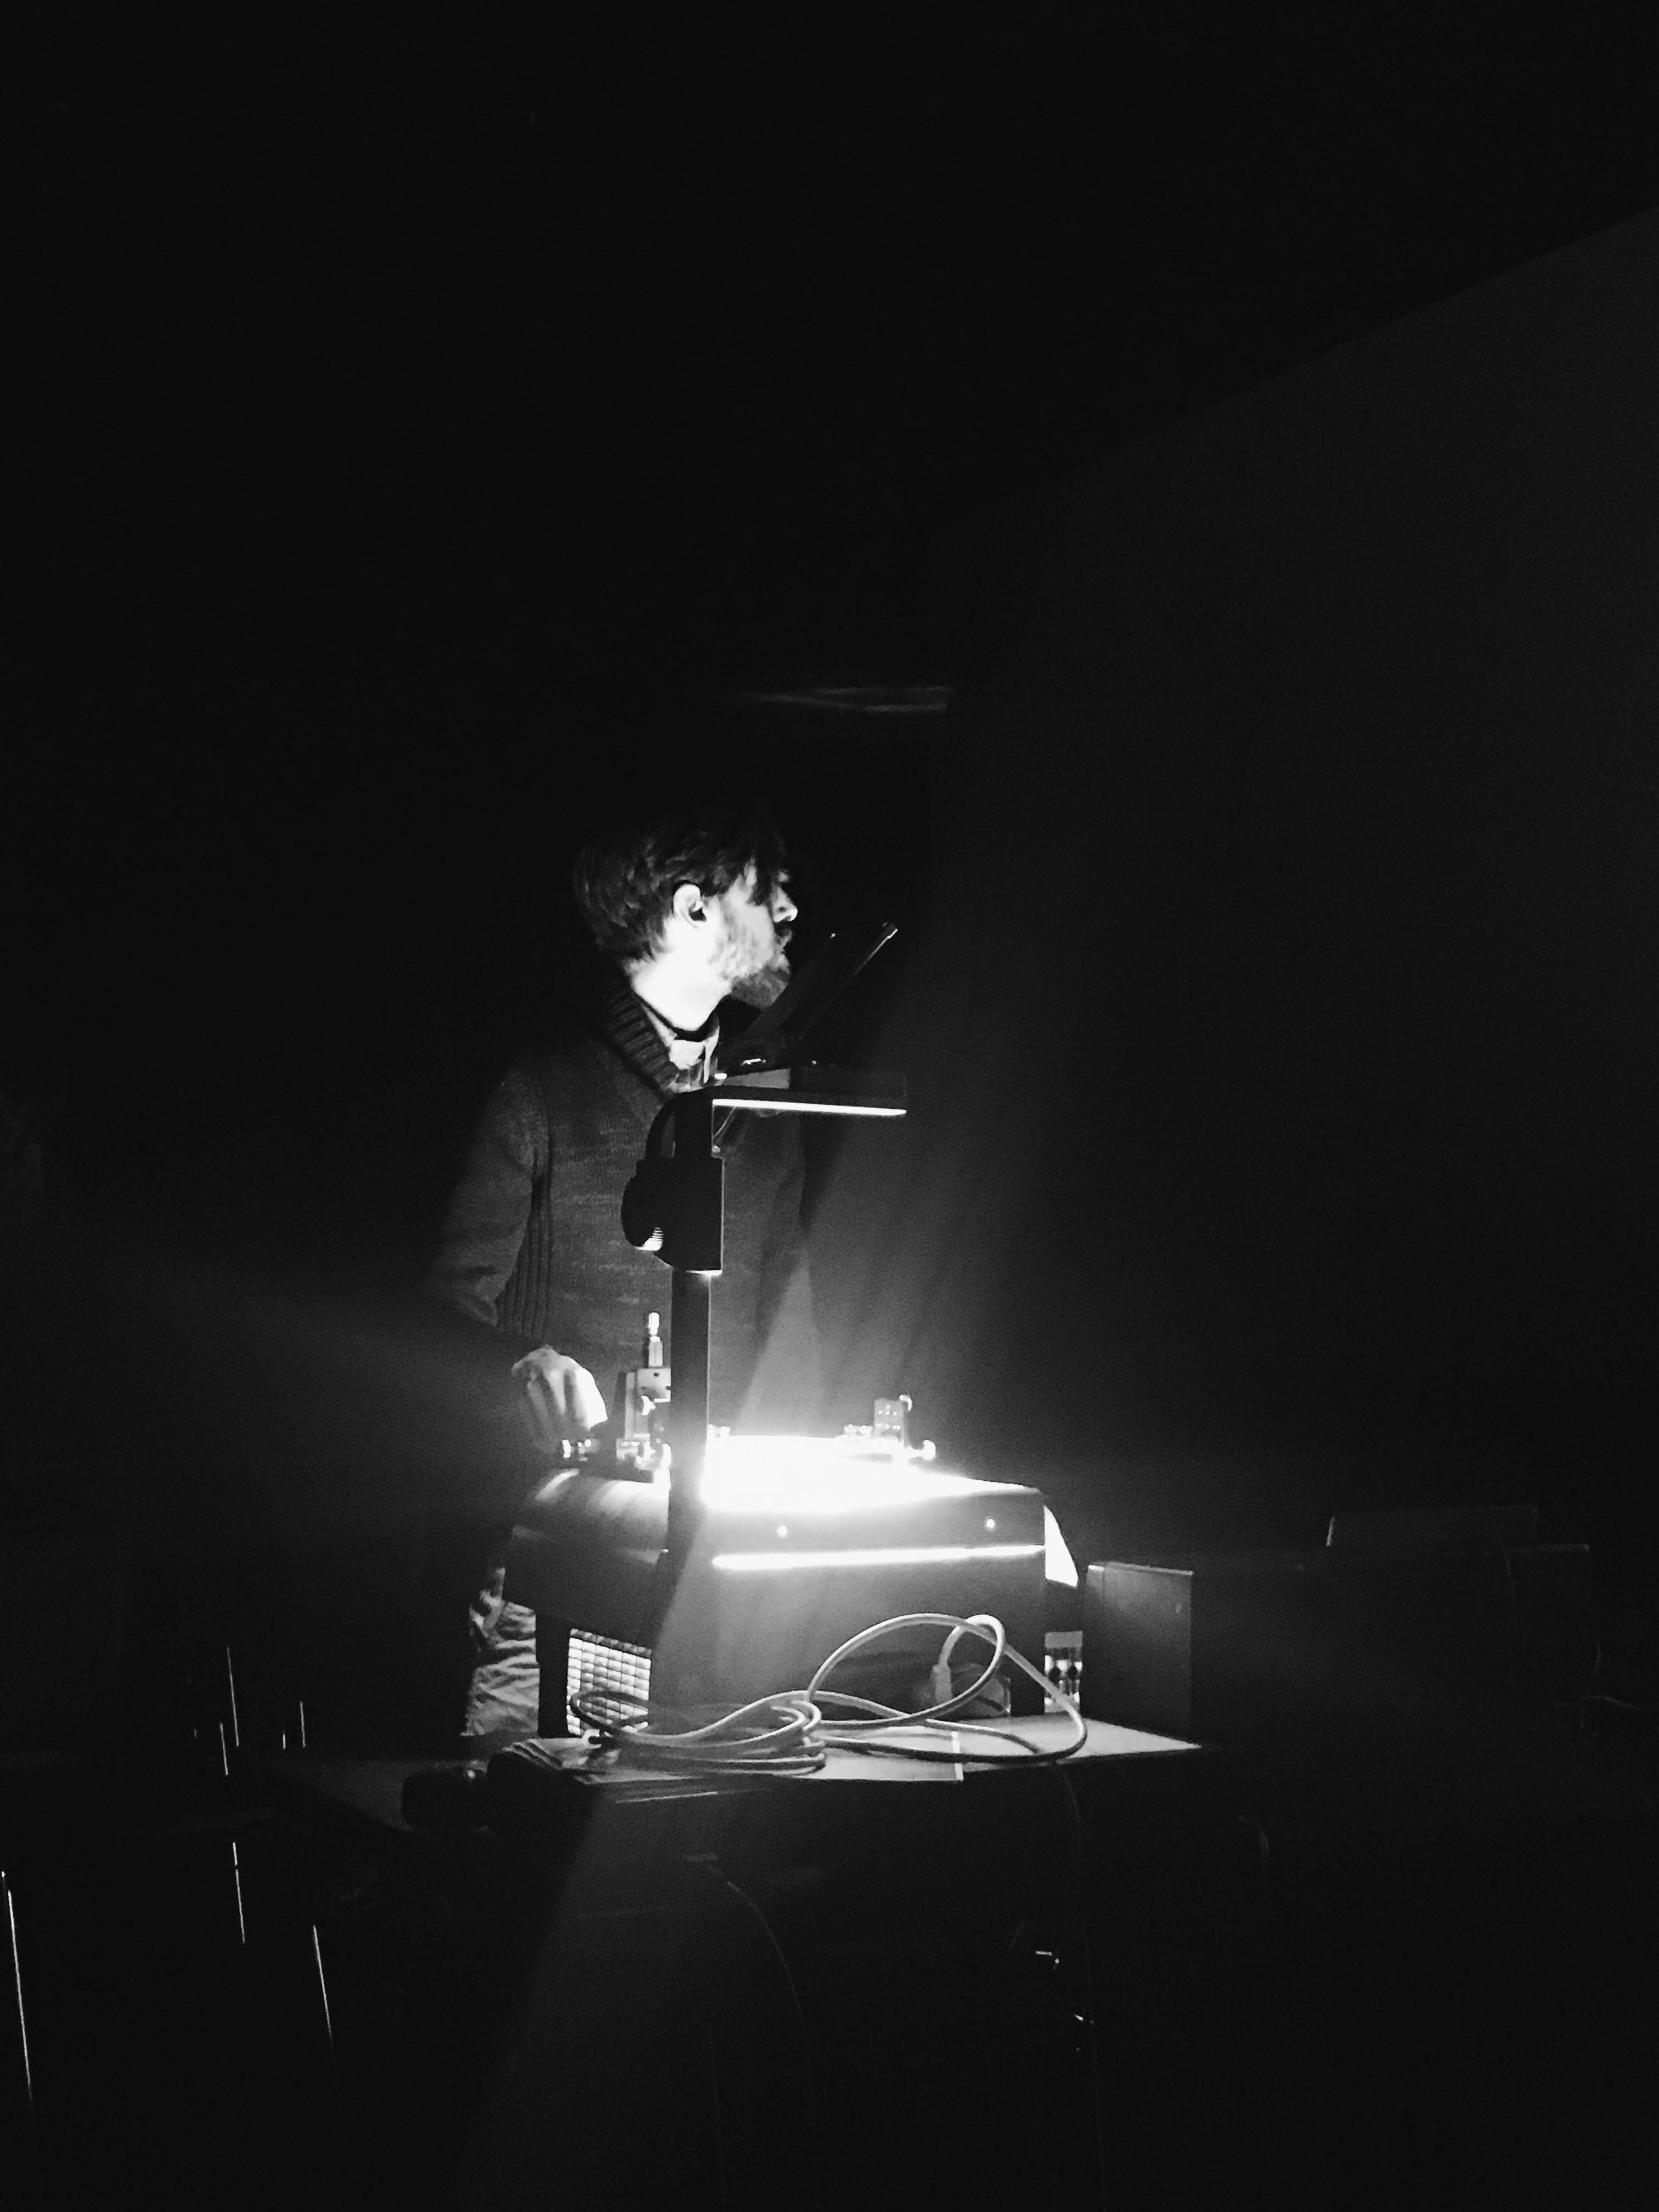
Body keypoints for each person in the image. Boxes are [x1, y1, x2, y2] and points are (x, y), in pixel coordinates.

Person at [425, 802, 821, 1740]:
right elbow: (441, 1308)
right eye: (766, 889)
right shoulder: (540, 1090)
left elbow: (792, 1335)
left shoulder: (766, 1115)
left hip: (725, 1573)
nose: (791, 910)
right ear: (692, 908)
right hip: (552, 1564)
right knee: (528, 1798)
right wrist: (519, 1364)